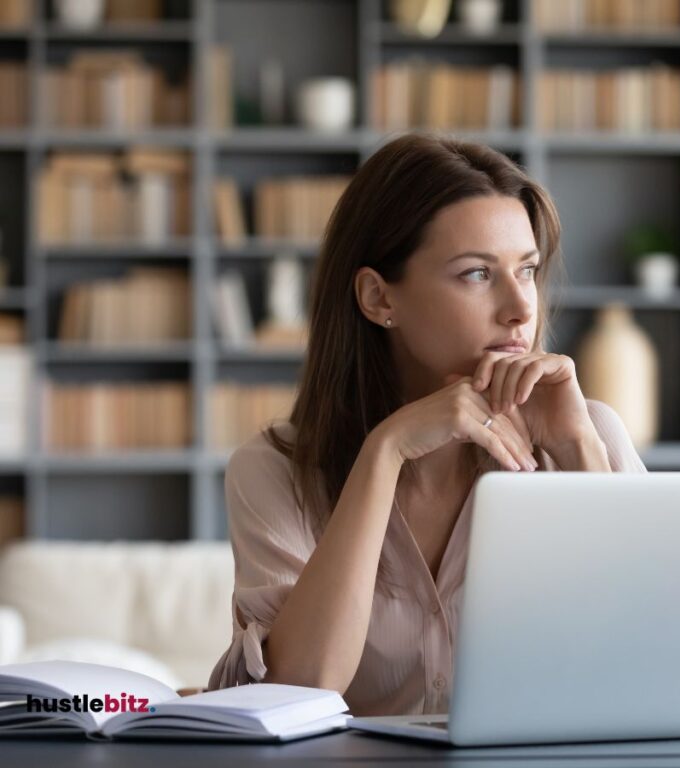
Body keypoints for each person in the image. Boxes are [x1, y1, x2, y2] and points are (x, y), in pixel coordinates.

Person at [207, 132, 648, 716]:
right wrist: (383, 452)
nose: (520, 307)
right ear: (378, 298)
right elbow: (299, 688)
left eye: (529, 271)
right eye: (476, 274)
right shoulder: (274, 470)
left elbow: (651, 657)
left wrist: (576, 450)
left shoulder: (587, 433)